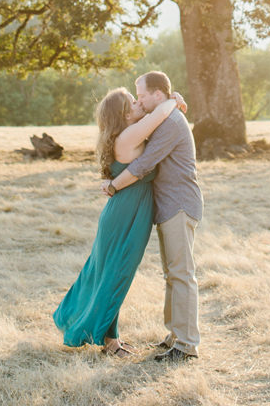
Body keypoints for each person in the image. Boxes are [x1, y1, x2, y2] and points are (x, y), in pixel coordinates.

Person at [53, 86, 185, 355]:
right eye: (132, 101)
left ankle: (110, 338)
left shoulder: (125, 134)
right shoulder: (128, 135)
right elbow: (160, 112)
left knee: (111, 274)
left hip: (128, 212)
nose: (138, 102)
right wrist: (174, 99)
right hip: (126, 216)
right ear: (124, 115)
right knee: (116, 275)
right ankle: (109, 343)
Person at [100, 70, 203, 361]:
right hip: (168, 206)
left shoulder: (170, 122)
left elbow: (144, 163)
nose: (139, 100)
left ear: (158, 95)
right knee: (173, 274)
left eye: (142, 95)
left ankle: (186, 346)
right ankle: (175, 336)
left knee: (182, 274)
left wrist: (113, 186)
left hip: (179, 205)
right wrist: (173, 100)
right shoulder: (163, 114)